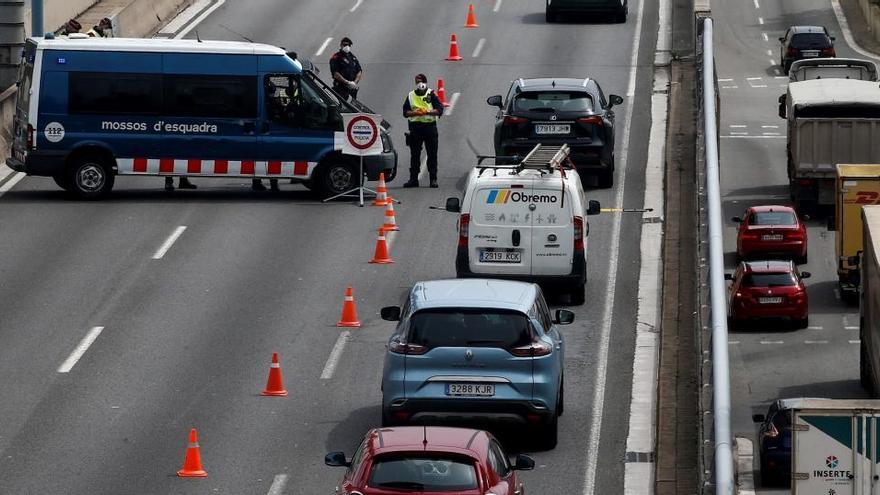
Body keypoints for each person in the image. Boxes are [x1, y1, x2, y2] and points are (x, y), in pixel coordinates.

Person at [402, 73, 443, 188]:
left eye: (421, 81)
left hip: (430, 128)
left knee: (432, 154)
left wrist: (427, 112)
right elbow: (405, 112)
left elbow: (439, 110)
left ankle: (433, 179)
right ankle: (413, 179)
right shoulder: (411, 95)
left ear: (425, 82)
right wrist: (416, 112)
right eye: (417, 81)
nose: (419, 83)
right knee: (414, 155)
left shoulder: (431, 94)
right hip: (416, 128)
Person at [329, 37, 362, 101]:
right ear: (341, 45)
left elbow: (359, 71)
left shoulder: (353, 57)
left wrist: (354, 83)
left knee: (352, 107)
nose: (347, 46)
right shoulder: (337, 57)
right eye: (345, 45)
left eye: (348, 45)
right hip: (340, 88)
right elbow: (335, 73)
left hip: (352, 88)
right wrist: (347, 82)